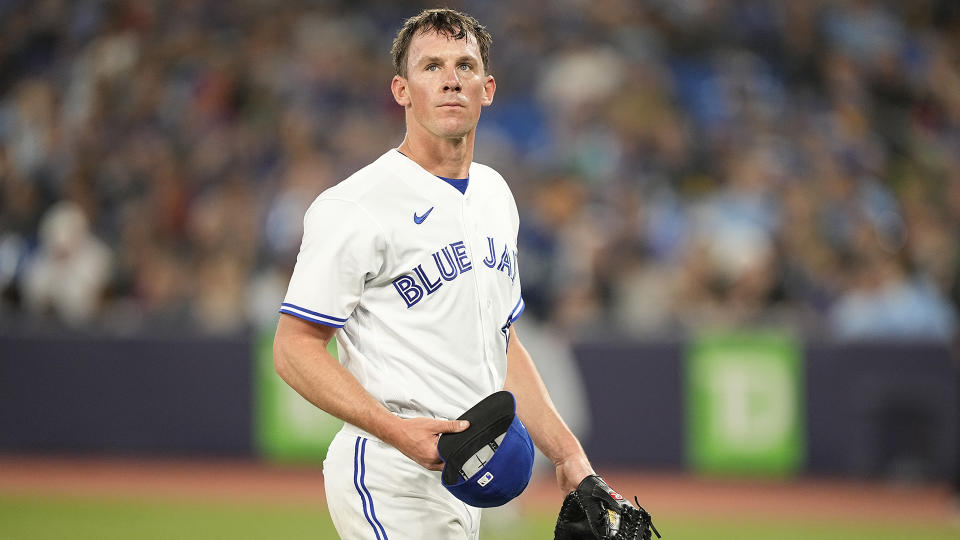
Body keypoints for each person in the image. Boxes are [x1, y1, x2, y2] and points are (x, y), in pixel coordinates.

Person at [272, 8, 594, 539]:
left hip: (465, 478)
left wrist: (569, 456)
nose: (450, 79)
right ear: (401, 89)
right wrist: (397, 431)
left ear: (487, 89)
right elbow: (293, 347)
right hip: (388, 472)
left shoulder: (495, 195)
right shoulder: (356, 205)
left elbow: (503, 345)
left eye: (465, 65)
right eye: (432, 66)